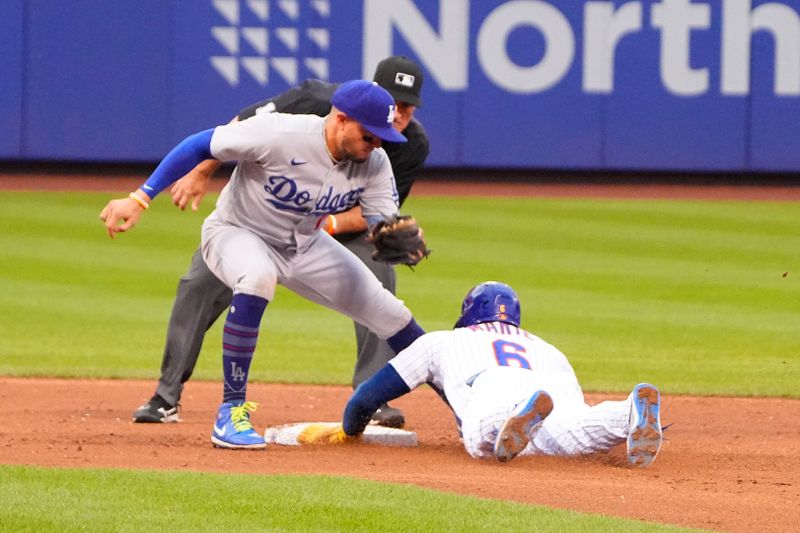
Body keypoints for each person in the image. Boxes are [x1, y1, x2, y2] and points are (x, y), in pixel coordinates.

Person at [100, 79, 427, 449]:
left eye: (382, 138)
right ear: (341, 119)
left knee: (393, 314)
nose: (377, 145)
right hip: (236, 232)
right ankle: (231, 413)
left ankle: (468, 405)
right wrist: (139, 198)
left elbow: (381, 221)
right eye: (370, 136)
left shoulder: (375, 162)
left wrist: (388, 235)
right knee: (257, 276)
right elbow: (200, 144)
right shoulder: (278, 133)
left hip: (306, 245)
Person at [297, 282, 664, 467]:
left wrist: (351, 430)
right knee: (576, 430)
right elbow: (572, 403)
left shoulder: (442, 342)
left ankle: (513, 418)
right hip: (551, 391)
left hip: (493, 387)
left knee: (482, 437)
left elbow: (367, 397)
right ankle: (627, 413)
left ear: (469, 312)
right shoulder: (548, 348)